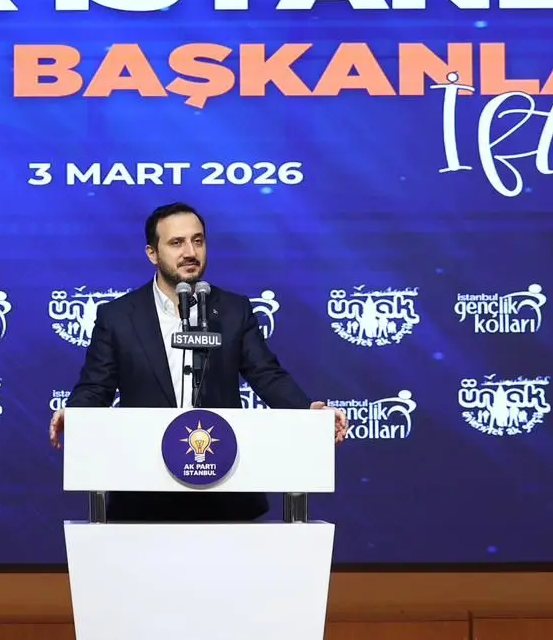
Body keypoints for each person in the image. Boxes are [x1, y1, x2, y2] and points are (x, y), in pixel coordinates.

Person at [49, 201, 348, 522]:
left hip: (224, 487)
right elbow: (96, 386)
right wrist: (75, 414)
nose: (190, 252)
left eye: (198, 241)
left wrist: (307, 412)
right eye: (176, 243)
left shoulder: (233, 310)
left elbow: (266, 374)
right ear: (152, 253)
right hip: (144, 490)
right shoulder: (118, 317)